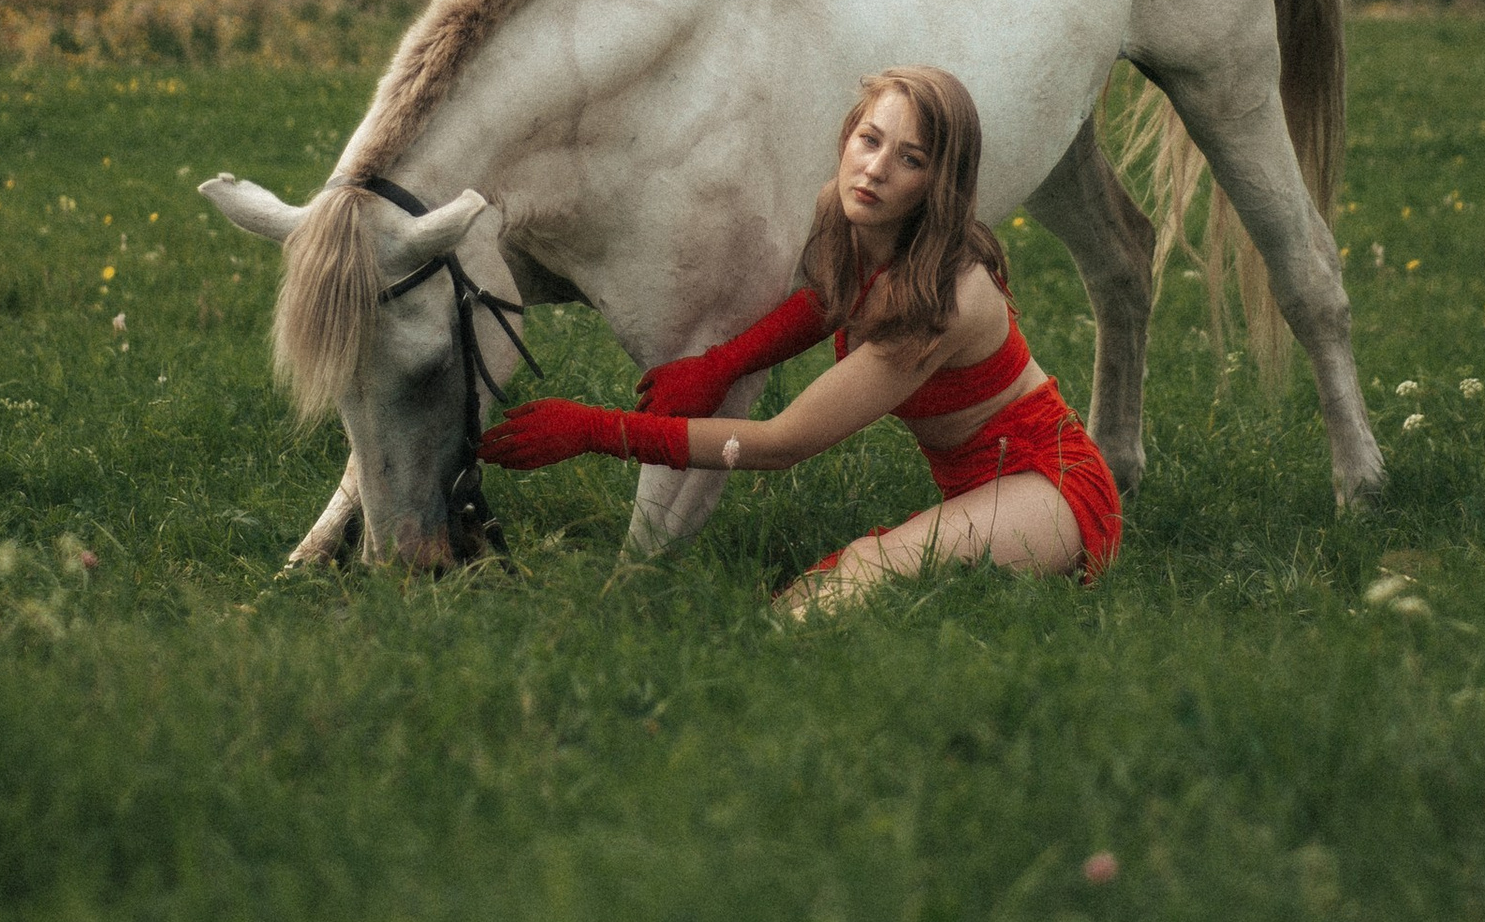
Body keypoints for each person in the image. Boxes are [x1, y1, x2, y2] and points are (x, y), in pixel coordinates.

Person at [477, 64, 1124, 607]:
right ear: (847, 135)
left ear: (939, 184)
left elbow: (781, 443)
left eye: (911, 159)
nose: (874, 169)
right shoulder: (840, 211)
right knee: (809, 597)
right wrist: (724, 363)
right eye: (869, 139)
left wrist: (596, 430)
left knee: (860, 584)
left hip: (1053, 485)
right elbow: (825, 298)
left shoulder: (945, 304)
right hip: (976, 484)